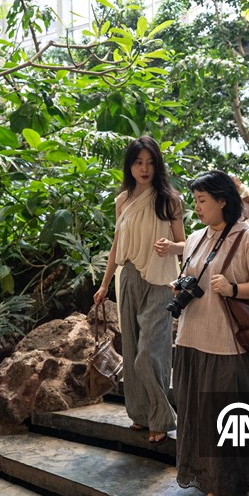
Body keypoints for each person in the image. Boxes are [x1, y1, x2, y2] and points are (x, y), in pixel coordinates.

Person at [163, 170, 249, 496]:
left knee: (223, 415)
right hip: (191, 339)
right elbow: (193, 276)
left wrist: (233, 288)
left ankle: (223, 488)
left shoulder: (248, 237)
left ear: (222, 201)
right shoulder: (196, 238)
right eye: (195, 201)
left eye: (202, 201)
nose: (196, 207)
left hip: (227, 344)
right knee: (196, 414)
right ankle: (204, 476)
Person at [94, 136, 185, 445]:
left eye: (150, 162)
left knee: (149, 353)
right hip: (129, 276)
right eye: (138, 162)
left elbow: (185, 244)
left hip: (161, 280)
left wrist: (171, 246)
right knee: (132, 349)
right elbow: (116, 244)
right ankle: (140, 413)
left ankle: (161, 417)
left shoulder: (170, 200)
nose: (144, 168)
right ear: (129, 166)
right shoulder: (122, 200)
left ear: (157, 165)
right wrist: (104, 283)